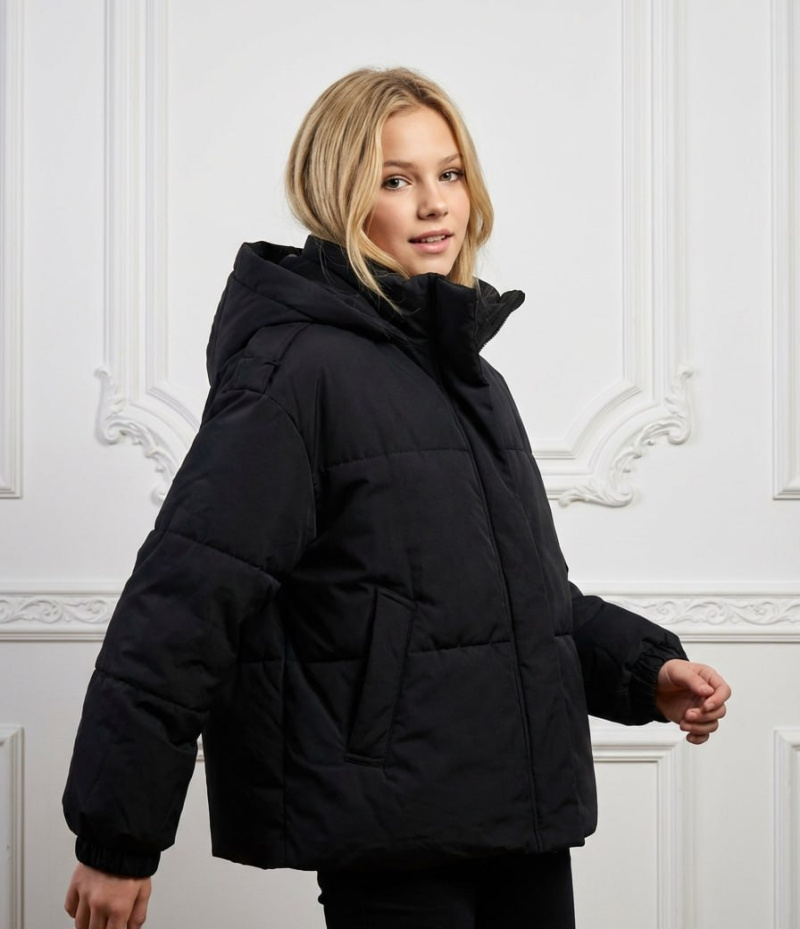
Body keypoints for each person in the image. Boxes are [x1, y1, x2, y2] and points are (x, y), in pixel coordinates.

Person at [63, 66, 731, 929]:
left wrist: (646, 671)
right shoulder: (294, 373)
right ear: (337, 194)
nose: (434, 203)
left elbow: (510, 602)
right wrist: (117, 839)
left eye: (449, 173)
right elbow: (185, 600)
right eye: (395, 179)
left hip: (518, 821)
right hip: (392, 830)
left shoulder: (468, 377)